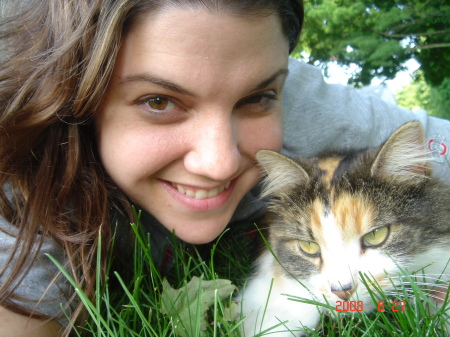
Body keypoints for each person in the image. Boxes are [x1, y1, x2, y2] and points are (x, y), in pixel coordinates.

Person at [0, 0, 449, 336]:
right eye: (158, 101)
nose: (220, 164)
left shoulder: (308, 112)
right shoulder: (25, 175)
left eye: (257, 97)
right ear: (77, 98)